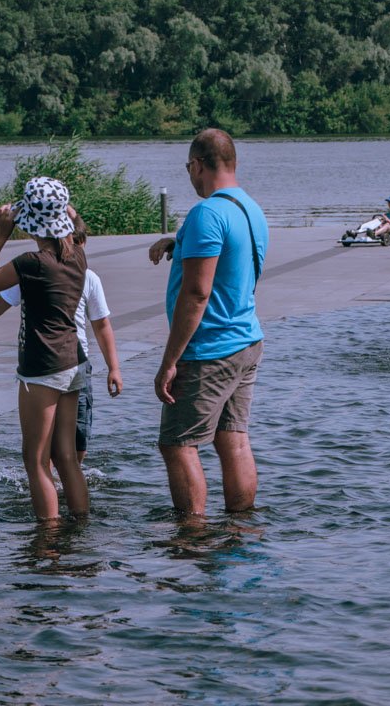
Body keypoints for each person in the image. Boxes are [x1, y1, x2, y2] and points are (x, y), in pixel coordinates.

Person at [147, 128, 268, 515]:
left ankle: (192, 536)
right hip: (246, 341)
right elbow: (232, 262)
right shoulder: (250, 209)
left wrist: (170, 361)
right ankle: (242, 527)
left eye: (188, 168)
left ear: (197, 164)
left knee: (178, 443)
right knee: (232, 438)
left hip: (208, 349)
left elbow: (196, 295)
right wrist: (177, 243)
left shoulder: (207, 213)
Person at [0, 214, 123, 465]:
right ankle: (57, 483)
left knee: (78, 439)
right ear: (65, 238)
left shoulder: (88, 278)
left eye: (79, 246)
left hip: (75, 364)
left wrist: (114, 367)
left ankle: (63, 481)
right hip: (49, 365)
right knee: (47, 439)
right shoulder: (36, 274)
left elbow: (102, 324)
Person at [0, 177, 89, 521]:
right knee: (65, 456)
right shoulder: (78, 253)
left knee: (36, 460)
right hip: (73, 361)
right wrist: (63, 207)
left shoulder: (32, 263)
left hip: (43, 366)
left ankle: (47, 539)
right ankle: (80, 525)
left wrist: (0, 235)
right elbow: (76, 222)